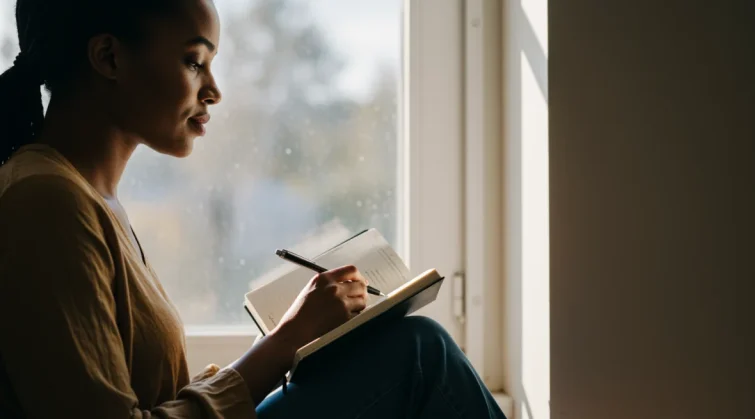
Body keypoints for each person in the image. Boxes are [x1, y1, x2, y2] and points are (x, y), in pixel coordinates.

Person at [0, 0, 506, 418]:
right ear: (109, 57)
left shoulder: (88, 199)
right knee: (419, 354)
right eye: (194, 62)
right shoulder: (46, 202)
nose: (214, 90)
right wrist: (285, 342)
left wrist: (299, 341)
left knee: (410, 348)